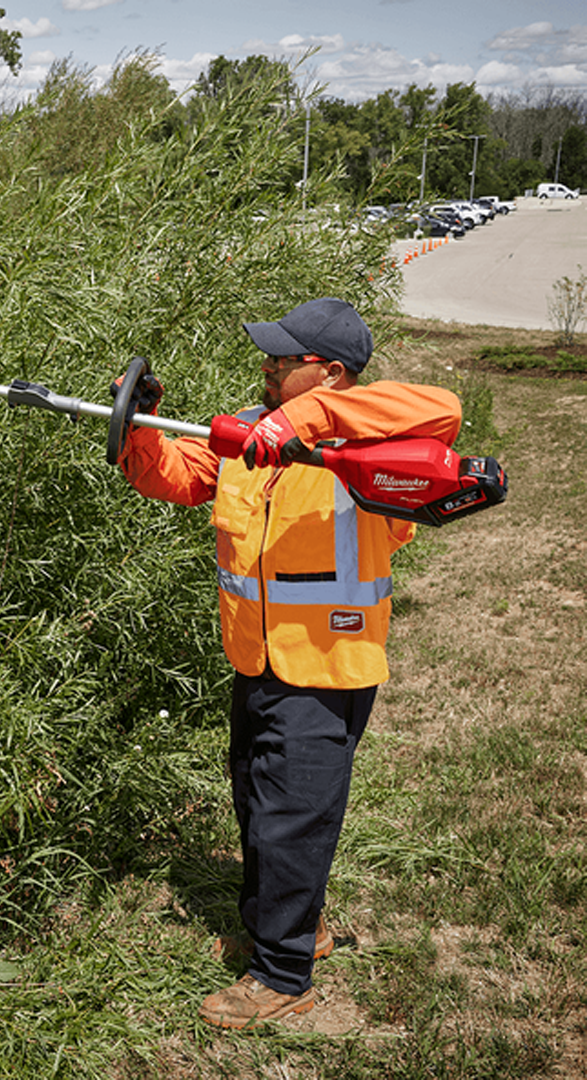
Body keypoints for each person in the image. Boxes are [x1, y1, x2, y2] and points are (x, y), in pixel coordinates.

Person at [113, 297, 461, 1029]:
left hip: (328, 667)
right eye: (269, 360)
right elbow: (179, 476)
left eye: (282, 361)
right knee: (256, 803)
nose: (267, 370)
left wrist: (306, 422)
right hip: (256, 656)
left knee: (289, 821)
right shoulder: (251, 435)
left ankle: (283, 974)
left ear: (330, 373)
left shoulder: (373, 438)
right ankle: (296, 925)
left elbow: (445, 410)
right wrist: (137, 429)